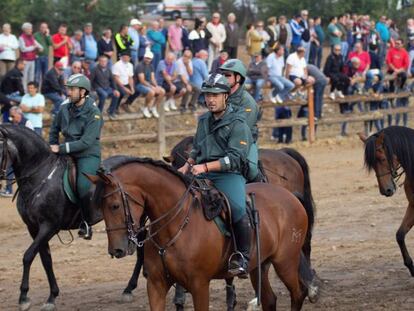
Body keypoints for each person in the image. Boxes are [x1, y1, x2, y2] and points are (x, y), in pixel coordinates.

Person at [178, 73, 252, 278]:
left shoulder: (238, 122)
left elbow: (236, 158)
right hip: (201, 173)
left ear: (226, 96)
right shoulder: (203, 121)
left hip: (228, 174)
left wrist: (206, 167)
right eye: (208, 95)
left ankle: (242, 256)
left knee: (237, 208)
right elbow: (197, 148)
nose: (210, 99)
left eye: (215, 95)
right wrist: (187, 165)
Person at [49, 73, 103, 240]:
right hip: (65, 151)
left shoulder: (94, 113)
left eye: (72, 89)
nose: (69, 92)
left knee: (82, 186)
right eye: (69, 89)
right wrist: (52, 145)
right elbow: (54, 128)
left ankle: (86, 223)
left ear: (83, 92)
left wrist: (61, 147)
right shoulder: (64, 108)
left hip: (87, 155)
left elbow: (86, 142)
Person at [219, 59, 260, 181]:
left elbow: (243, 131)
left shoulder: (248, 103)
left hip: (243, 142)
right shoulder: (219, 96)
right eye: (222, 75)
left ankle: (259, 189)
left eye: (227, 75)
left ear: (238, 78)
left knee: (251, 170)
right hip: (220, 140)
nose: (223, 78)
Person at [2, 106, 34, 197]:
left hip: (25, 152)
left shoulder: (27, 122)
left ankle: (28, 190)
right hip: (14, 152)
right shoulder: (11, 122)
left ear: (19, 114)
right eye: (10, 115)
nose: (11, 117)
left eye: (13, 115)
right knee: (8, 168)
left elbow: (32, 138)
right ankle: (9, 190)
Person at [132, 50, 165, 118]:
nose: (148, 59)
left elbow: (152, 79)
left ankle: (154, 107)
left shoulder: (151, 66)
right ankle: (145, 108)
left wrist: (156, 86)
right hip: (138, 85)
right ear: (144, 57)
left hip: (148, 84)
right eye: (147, 58)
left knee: (162, 91)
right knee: (151, 92)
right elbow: (142, 80)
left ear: (151, 59)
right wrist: (151, 87)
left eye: (149, 58)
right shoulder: (140, 66)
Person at [109, 51, 135, 119]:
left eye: (127, 57)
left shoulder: (130, 65)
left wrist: (132, 88)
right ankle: (114, 108)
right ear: (122, 57)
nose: (126, 59)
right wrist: (124, 88)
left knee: (135, 91)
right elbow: (116, 78)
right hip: (117, 84)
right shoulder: (117, 65)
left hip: (126, 83)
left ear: (129, 58)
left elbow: (130, 77)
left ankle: (126, 104)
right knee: (122, 93)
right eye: (124, 57)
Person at [19, 22, 43, 92]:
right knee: (24, 77)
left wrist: (40, 47)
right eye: (29, 29)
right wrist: (33, 47)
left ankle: (31, 91)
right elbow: (23, 49)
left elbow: (38, 44)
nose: (31, 30)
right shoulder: (21, 38)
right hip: (25, 60)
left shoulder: (31, 37)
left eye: (31, 29)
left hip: (32, 59)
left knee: (31, 77)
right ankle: (24, 92)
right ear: (25, 29)